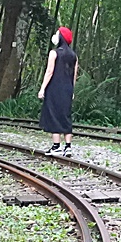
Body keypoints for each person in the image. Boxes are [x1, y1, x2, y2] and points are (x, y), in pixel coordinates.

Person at [37, 25, 78, 154]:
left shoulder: (54, 53)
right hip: (67, 89)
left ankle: (56, 146)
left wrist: (42, 88)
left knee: (54, 114)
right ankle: (68, 147)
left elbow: (49, 72)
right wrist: (72, 91)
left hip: (54, 88)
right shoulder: (74, 56)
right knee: (65, 116)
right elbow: (74, 76)